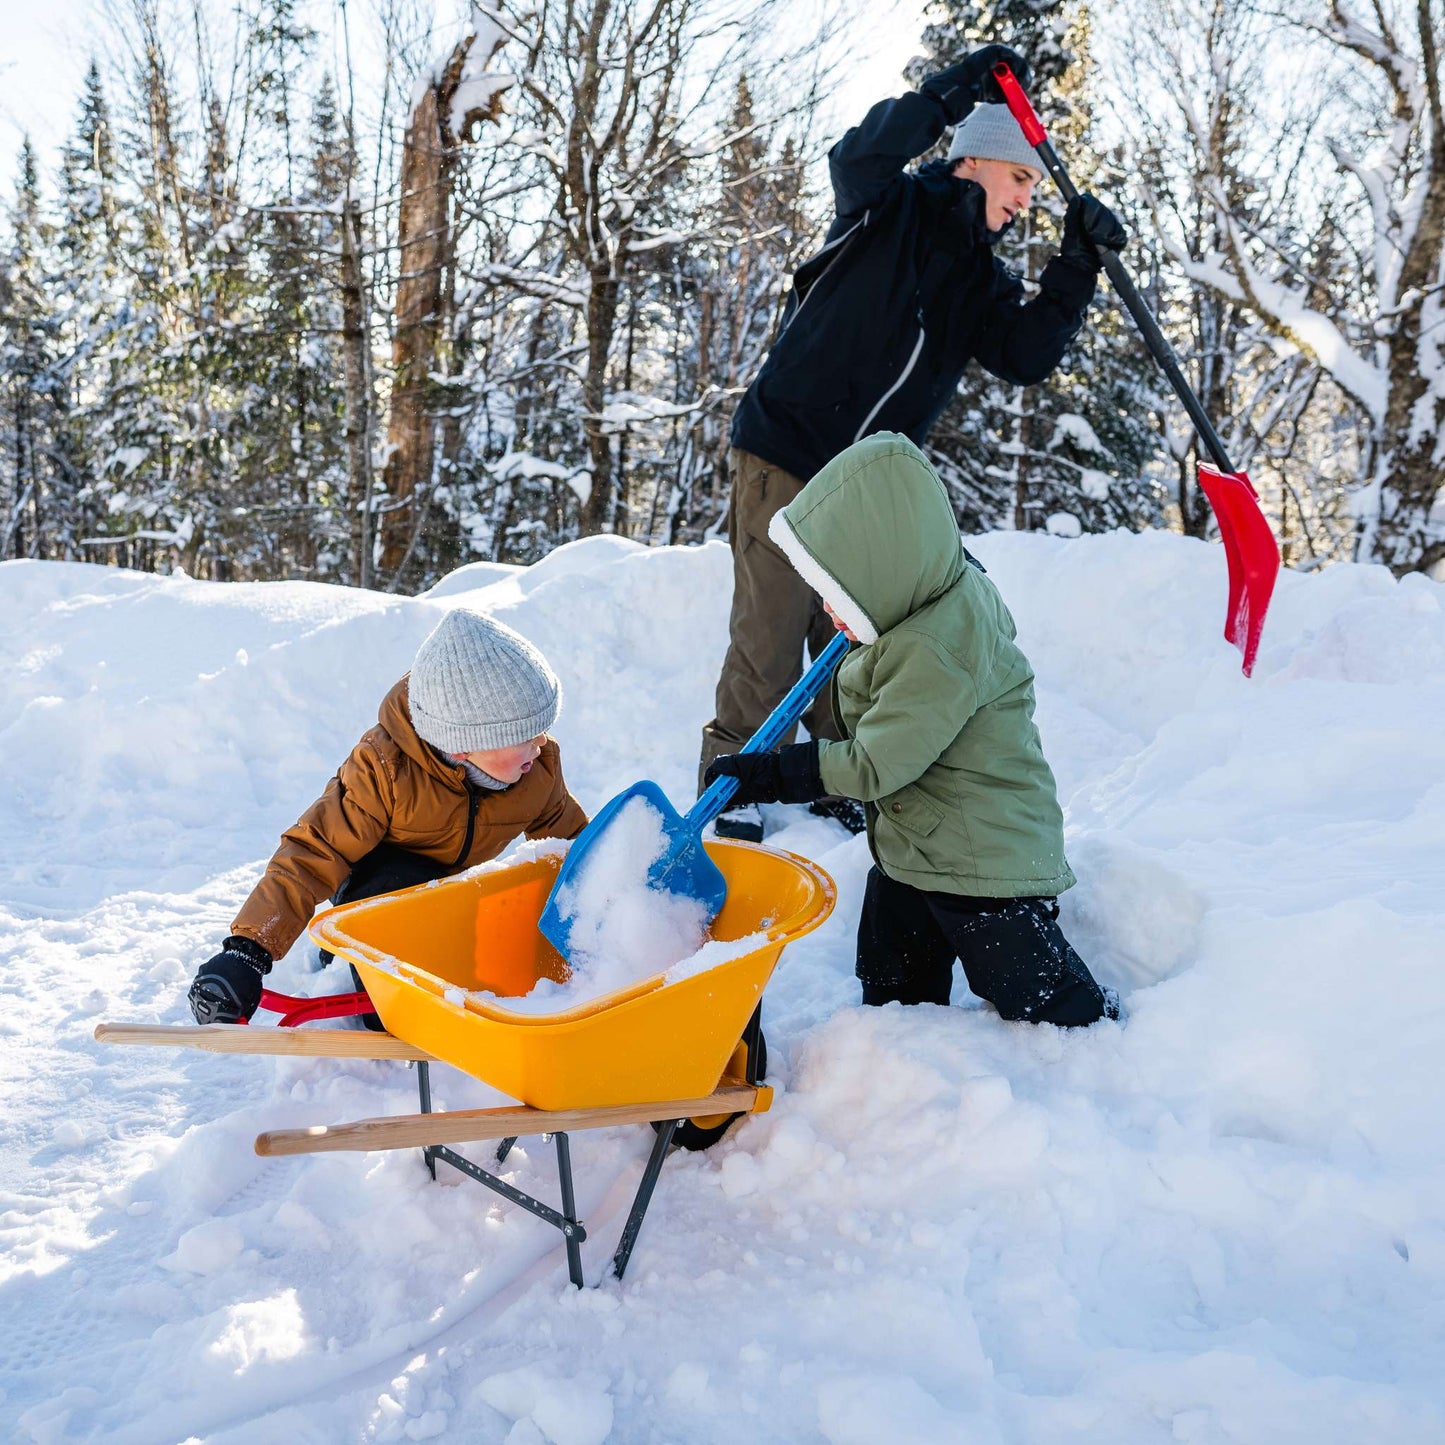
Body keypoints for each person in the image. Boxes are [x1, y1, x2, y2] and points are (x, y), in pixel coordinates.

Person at [700, 42, 1127, 843]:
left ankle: (826, 789)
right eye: (1019, 178)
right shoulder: (886, 207)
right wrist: (951, 91)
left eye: (1035, 186)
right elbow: (855, 154)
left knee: (846, 649)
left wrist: (1077, 266)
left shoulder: (979, 278)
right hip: (787, 450)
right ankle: (733, 796)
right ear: (975, 161)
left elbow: (1025, 355)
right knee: (770, 641)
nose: (1026, 199)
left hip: (861, 492)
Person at [706, 433, 1118, 1027]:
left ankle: (1095, 1030)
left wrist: (774, 774)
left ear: (887, 572)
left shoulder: (935, 647)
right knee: (890, 967)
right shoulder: (918, 599)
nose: (827, 610)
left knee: (1032, 989)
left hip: (983, 857)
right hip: (922, 843)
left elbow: (877, 763)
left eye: (837, 594)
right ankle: (897, 1035)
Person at [187, 609, 588, 1025]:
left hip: (450, 893)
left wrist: (613, 897)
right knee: (396, 891)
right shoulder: (384, 769)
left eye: (543, 727)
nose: (542, 741)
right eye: (524, 735)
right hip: (377, 894)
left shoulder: (537, 769)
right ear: (466, 744)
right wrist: (247, 950)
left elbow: (573, 847)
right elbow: (314, 852)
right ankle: (370, 978)